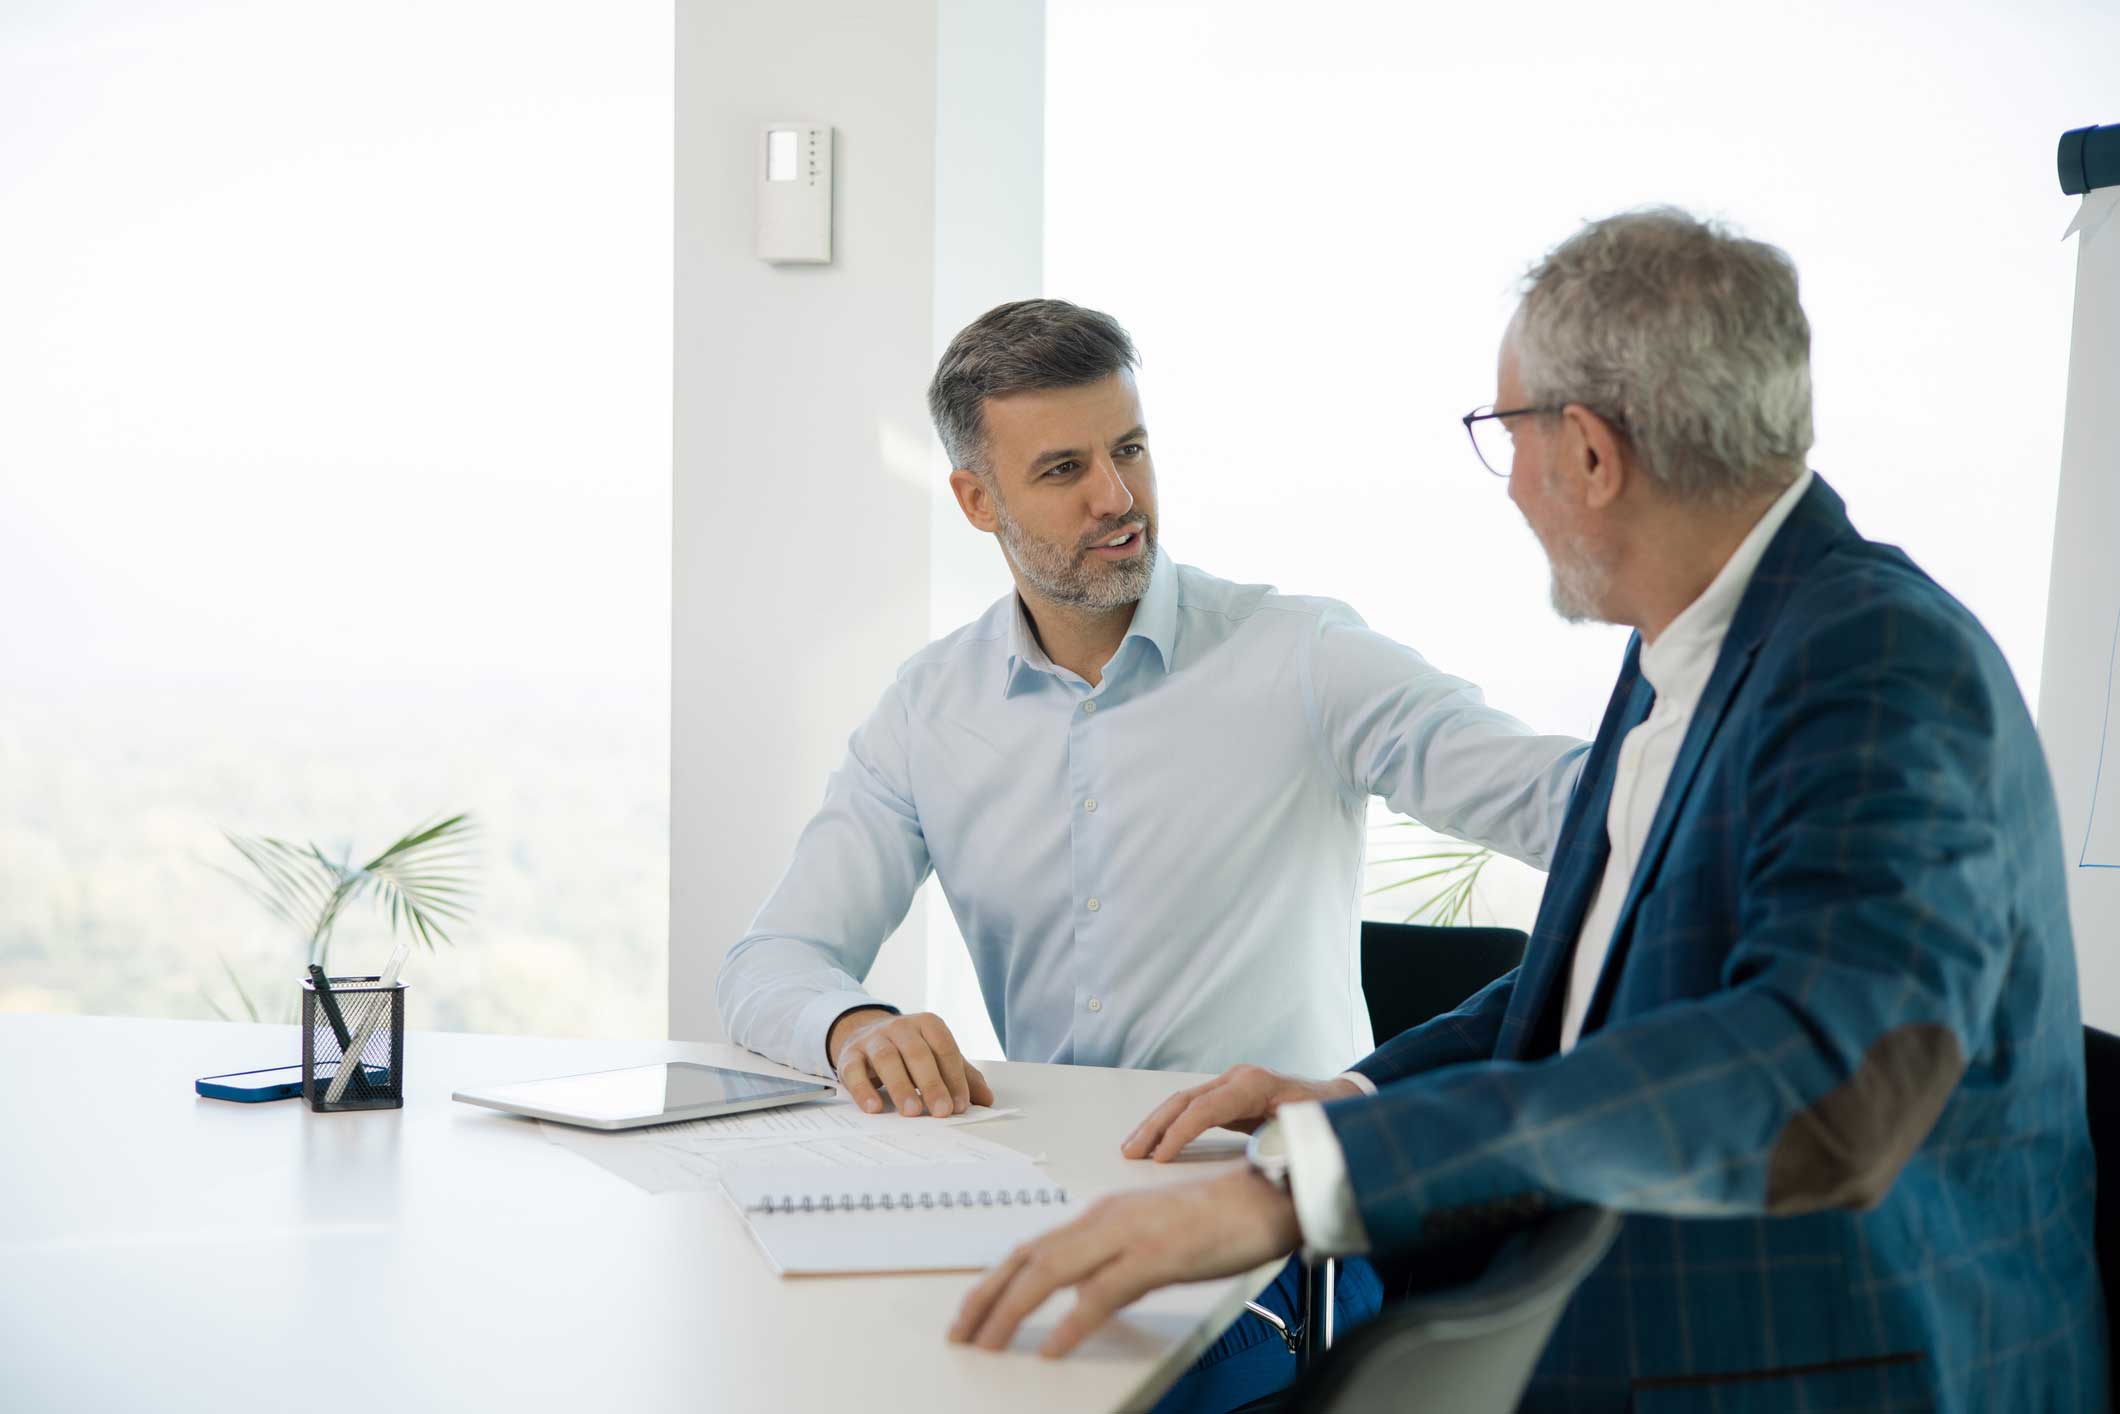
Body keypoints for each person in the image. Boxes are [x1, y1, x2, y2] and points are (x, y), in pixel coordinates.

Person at [949, 211, 2106, 1414]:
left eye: (1503, 434)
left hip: (1819, 1368)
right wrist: (1350, 1099)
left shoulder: (1877, 662)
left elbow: (1817, 1067)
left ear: (1591, 454)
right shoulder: (1689, 647)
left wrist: (1291, 1187)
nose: (1506, 484)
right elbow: (1614, 979)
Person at [717, 298, 1589, 1410]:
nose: (1116, 498)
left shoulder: (1302, 656)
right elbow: (770, 959)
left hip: (1284, 1246)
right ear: (976, 500)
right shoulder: (928, 710)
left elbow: (1567, 806)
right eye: (1064, 468)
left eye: (1128, 449)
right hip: (1053, 1210)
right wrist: (852, 1024)